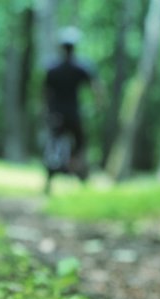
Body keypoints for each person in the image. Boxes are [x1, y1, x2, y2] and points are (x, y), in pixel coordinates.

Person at [43, 26, 99, 193]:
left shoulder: (52, 68)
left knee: (53, 145)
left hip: (56, 114)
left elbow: (45, 92)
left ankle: (49, 181)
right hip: (73, 113)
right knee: (80, 143)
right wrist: (96, 106)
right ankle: (76, 170)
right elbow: (96, 88)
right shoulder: (81, 67)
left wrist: (46, 110)